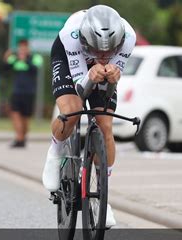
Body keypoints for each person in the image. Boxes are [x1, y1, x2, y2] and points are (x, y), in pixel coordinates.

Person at [42, 5, 136, 228]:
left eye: (109, 52)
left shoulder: (129, 37)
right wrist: (90, 76)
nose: (103, 57)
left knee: (105, 126)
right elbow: (80, 90)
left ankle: (102, 199)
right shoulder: (71, 35)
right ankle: (54, 152)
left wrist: (114, 77)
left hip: (95, 65)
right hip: (67, 60)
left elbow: (109, 89)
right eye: (98, 51)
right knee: (71, 112)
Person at [4, 39, 43, 148]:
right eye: (20, 48)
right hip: (17, 92)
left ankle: (22, 138)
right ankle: (19, 138)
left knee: (25, 117)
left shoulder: (35, 58)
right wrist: (6, 58)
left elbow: (34, 69)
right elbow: (6, 68)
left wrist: (25, 59)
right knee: (15, 114)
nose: (22, 50)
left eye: (24, 48)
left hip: (29, 92)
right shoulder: (15, 58)